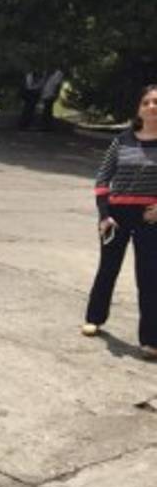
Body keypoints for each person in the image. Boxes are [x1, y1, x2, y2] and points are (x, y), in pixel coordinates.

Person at [81, 84, 157, 357]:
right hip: (116, 216)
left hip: (150, 218)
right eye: (146, 102)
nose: (152, 107)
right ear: (139, 108)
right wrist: (104, 215)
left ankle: (151, 339)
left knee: (149, 276)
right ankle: (94, 318)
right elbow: (103, 179)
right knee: (107, 269)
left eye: (156, 103)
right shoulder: (122, 140)